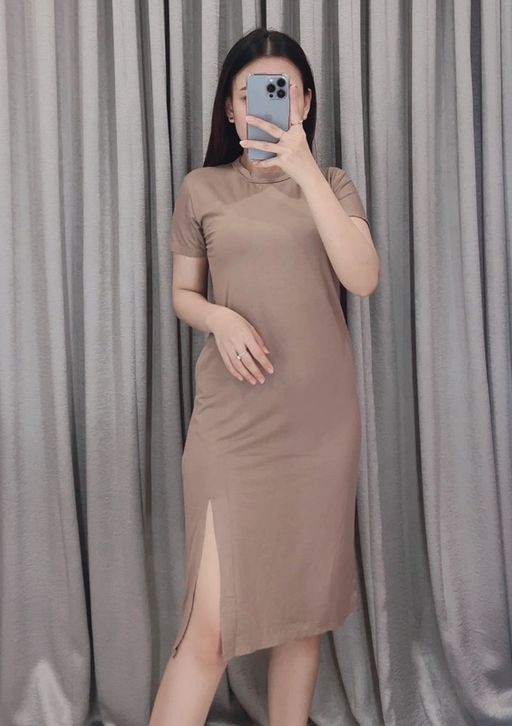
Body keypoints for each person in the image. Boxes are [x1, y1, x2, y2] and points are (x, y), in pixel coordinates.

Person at [149, 27, 378, 726]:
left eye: (282, 92)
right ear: (229, 107)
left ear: (304, 103)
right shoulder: (202, 188)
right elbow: (183, 294)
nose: (265, 105)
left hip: (319, 428)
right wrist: (217, 318)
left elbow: (362, 277)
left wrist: (304, 172)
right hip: (233, 425)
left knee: (301, 620)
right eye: (249, 94)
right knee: (209, 631)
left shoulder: (332, 184)